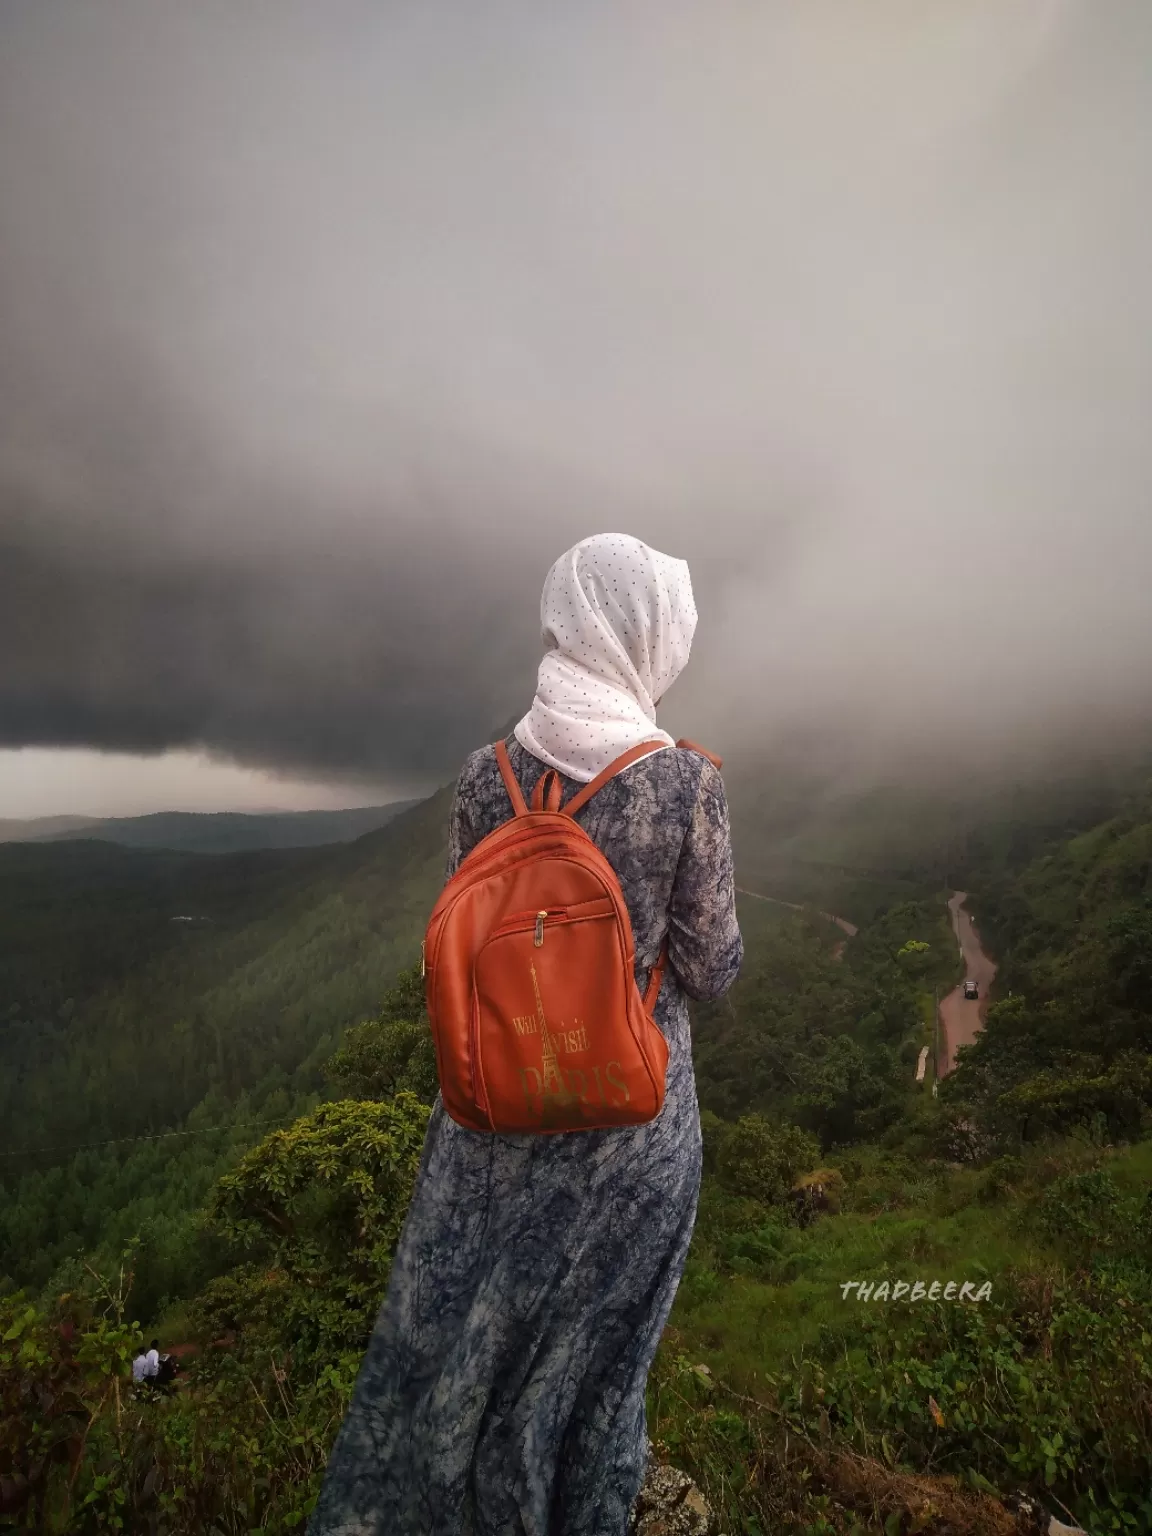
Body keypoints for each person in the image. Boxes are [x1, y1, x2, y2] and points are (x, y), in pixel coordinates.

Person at [310, 533, 743, 1536]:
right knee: (595, 1360)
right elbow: (714, 969)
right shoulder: (685, 786)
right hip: (628, 1138)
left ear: (566, 623)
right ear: (646, 638)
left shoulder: (482, 776)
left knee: (476, 1344)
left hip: (492, 1122)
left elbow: (482, 940)